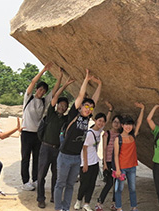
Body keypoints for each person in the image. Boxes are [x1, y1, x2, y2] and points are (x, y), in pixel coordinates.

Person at [54, 69, 102, 211]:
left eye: (90, 108)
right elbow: (82, 95)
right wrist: (86, 80)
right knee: (60, 184)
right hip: (65, 156)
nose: (88, 109)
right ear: (80, 106)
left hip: (76, 158)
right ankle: (58, 208)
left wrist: (100, 84)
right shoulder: (74, 113)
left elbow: (95, 99)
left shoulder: (87, 118)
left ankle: (65, 208)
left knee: (70, 185)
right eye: (86, 106)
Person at [37, 72, 74, 209]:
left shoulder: (65, 119)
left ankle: (54, 195)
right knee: (41, 175)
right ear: (57, 105)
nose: (62, 107)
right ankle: (41, 198)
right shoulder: (51, 113)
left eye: (65, 106)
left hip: (58, 149)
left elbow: (75, 110)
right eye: (61, 105)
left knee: (56, 175)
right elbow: (55, 96)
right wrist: (65, 85)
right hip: (45, 148)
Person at [21, 62, 59, 191]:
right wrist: (44, 70)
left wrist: (60, 79)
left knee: (37, 158)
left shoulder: (44, 101)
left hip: (37, 135)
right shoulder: (28, 98)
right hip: (26, 133)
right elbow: (32, 82)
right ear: (37, 89)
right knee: (25, 158)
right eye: (40, 89)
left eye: (44, 91)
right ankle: (25, 181)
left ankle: (35, 179)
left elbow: (54, 92)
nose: (42, 92)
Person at [113, 102, 145, 211]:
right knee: (119, 189)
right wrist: (117, 169)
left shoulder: (133, 136)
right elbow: (116, 155)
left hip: (132, 167)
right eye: (126, 124)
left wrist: (142, 109)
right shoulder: (118, 139)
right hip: (121, 167)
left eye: (130, 125)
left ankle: (134, 207)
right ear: (122, 126)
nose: (128, 127)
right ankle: (118, 207)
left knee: (133, 188)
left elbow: (139, 122)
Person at [74, 112, 107, 211]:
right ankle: (78, 200)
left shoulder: (99, 130)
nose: (101, 123)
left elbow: (106, 121)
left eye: (103, 121)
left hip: (95, 162)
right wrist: (85, 164)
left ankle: (86, 203)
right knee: (84, 184)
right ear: (95, 120)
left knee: (92, 184)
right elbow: (84, 149)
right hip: (86, 163)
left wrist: (109, 110)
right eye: (99, 120)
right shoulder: (89, 133)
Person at [95, 105, 119, 211]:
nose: (116, 124)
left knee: (117, 183)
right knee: (109, 183)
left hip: (118, 162)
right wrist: (104, 163)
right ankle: (99, 203)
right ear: (112, 122)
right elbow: (104, 149)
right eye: (115, 122)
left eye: (118, 122)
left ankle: (114, 203)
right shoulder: (107, 133)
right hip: (108, 162)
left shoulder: (121, 135)